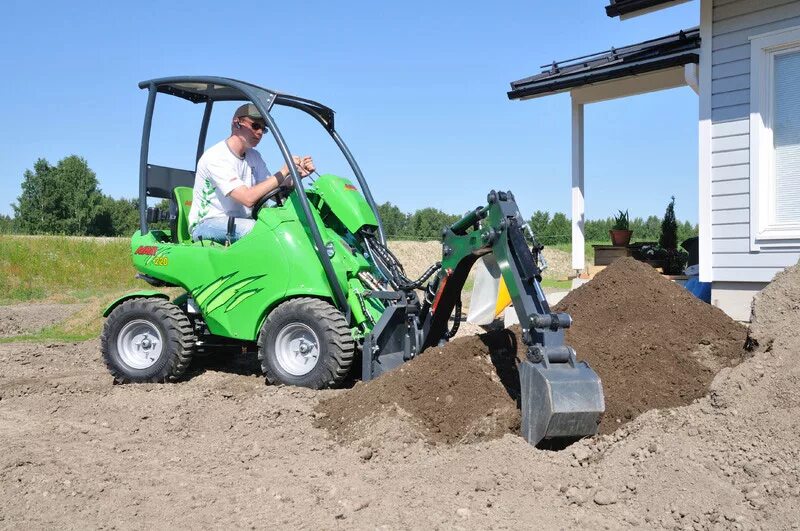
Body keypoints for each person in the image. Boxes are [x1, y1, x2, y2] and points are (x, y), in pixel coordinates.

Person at [188, 103, 315, 243]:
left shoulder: (254, 156)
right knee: (267, 233)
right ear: (237, 123)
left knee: (290, 226)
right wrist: (284, 171)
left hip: (242, 222)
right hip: (207, 224)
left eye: (263, 129)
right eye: (255, 126)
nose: (260, 132)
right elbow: (248, 198)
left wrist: (296, 175)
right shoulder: (216, 156)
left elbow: (273, 193)